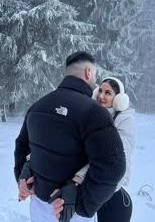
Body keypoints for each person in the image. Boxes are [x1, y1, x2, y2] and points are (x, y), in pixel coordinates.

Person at [14, 51, 126, 222]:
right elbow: (112, 168)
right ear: (88, 72)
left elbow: (22, 146)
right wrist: (83, 203)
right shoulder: (94, 113)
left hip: (38, 207)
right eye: (95, 75)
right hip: (70, 212)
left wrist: (23, 178)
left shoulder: (37, 106)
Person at [53, 77, 135, 222]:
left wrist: (78, 178)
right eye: (100, 90)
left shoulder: (124, 121)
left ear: (119, 99)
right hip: (86, 185)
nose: (101, 96)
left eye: (108, 93)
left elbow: (110, 160)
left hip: (108, 190)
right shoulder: (91, 115)